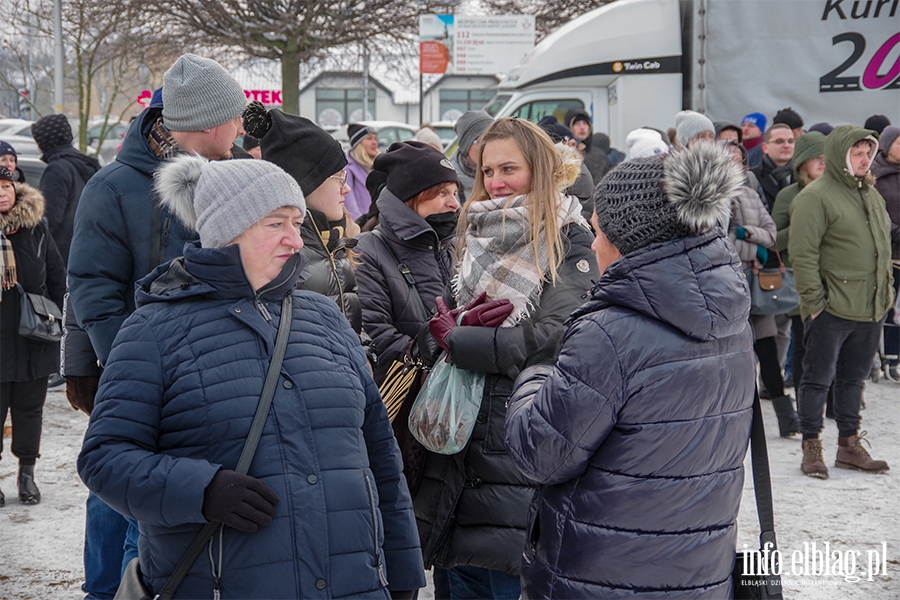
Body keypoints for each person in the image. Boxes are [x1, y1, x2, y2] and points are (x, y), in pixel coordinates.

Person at [77, 156, 424, 598]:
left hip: (352, 586)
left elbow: (380, 456)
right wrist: (201, 491)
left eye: (298, 223)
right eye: (276, 224)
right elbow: (104, 458)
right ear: (227, 230)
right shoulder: (153, 332)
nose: (296, 241)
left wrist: (404, 573)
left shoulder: (326, 318)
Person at [505, 142, 755, 598]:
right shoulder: (731, 318)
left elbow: (541, 453)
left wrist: (536, 375)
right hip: (698, 571)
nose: (594, 243)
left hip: (600, 575)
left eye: (599, 231)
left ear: (629, 241)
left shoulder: (610, 333)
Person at [67, 52, 248, 600]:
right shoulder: (114, 186)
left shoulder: (235, 178)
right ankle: (106, 590)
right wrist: (126, 366)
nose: (243, 125)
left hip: (211, 369)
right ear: (210, 121)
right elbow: (92, 287)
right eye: (236, 115)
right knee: (120, 490)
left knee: (171, 497)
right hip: (139, 369)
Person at [414, 117, 598, 599]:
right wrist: (440, 335)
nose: (495, 182)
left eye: (509, 168)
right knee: (456, 581)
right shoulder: (471, 233)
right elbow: (445, 326)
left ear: (538, 169)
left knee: (501, 579)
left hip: (514, 442)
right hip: (457, 440)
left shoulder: (569, 236)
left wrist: (465, 343)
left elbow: (558, 337)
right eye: (487, 170)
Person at [790, 125, 894, 479]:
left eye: (869, 153)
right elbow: (802, 256)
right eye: (858, 153)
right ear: (840, 156)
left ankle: (848, 445)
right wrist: (815, 304)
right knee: (817, 380)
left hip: (871, 305)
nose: (866, 160)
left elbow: (883, 247)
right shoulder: (815, 197)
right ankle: (811, 447)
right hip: (831, 308)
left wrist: (886, 292)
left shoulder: (871, 194)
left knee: (853, 380)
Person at [242, 102, 365, 336]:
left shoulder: (336, 239)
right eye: (339, 178)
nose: (347, 188)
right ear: (306, 184)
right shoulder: (280, 254)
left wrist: (364, 352)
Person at [355, 141, 462, 385]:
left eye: (455, 193)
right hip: (408, 399)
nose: (455, 204)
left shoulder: (454, 244)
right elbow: (375, 335)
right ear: (410, 198)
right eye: (443, 193)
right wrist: (444, 354)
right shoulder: (368, 250)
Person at [0, 166, 66, 506]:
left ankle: (27, 475)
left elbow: (57, 276)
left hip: (33, 337)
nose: (2, 193)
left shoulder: (35, 228)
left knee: (29, 410)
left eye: (6, 186)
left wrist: (57, 318)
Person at [725, 140, 800, 437]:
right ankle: (737, 418)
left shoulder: (749, 194)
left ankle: (785, 417)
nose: (734, 164)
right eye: (727, 158)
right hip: (728, 287)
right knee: (736, 357)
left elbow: (770, 235)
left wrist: (745, 233)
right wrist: (754, 249)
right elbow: (721, 242)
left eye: (739, 159)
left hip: (756, 285)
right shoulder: (710, 198)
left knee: (767, 351)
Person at [771, 132, 829, 399]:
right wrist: (803, 226)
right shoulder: (788, 195)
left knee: (835, 344)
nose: (823, 163)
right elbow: (773, 240)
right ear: (803, 162)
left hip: (836, 279)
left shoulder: (839, 192)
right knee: (805, 343)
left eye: (827, 158)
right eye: (817, 158)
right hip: (801, 280)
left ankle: (833, 400)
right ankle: (806, 397)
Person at [31, 114, 101, 265]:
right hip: (90, 251)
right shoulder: (88, 164)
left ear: (44, 143)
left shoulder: (56, 169)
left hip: (63, 256)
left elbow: (49, 219)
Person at [870, 125, 900, 381]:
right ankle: (879, 359)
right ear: (887, 145)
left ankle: (896, 359)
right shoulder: (875, 174)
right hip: (887, 254)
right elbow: (877, 213)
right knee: (885, 306)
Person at [751, 123, 795, 212]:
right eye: (779, 141)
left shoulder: (804, 174)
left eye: (790, 141)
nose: (787, 145)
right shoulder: (753, 177)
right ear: (765, 147)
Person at [450, 110, 493, 202]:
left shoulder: (504, 175)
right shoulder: (449, 182)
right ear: (466, 145)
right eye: (481, 141)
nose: (488, 146)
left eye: (493, 140)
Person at [344, 123, 380, 220]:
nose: (374, 143)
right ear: (358, 144)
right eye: (369, 139)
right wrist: (361, 226)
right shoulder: (348, 168)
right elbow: (349, 205)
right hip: (363, 226)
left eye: (375, 138)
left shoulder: (380, 165)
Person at [564, 108, 609, 182]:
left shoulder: (600, 156)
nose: (582, 128)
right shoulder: (563, 155)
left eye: (585, 123)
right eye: (577, 124)